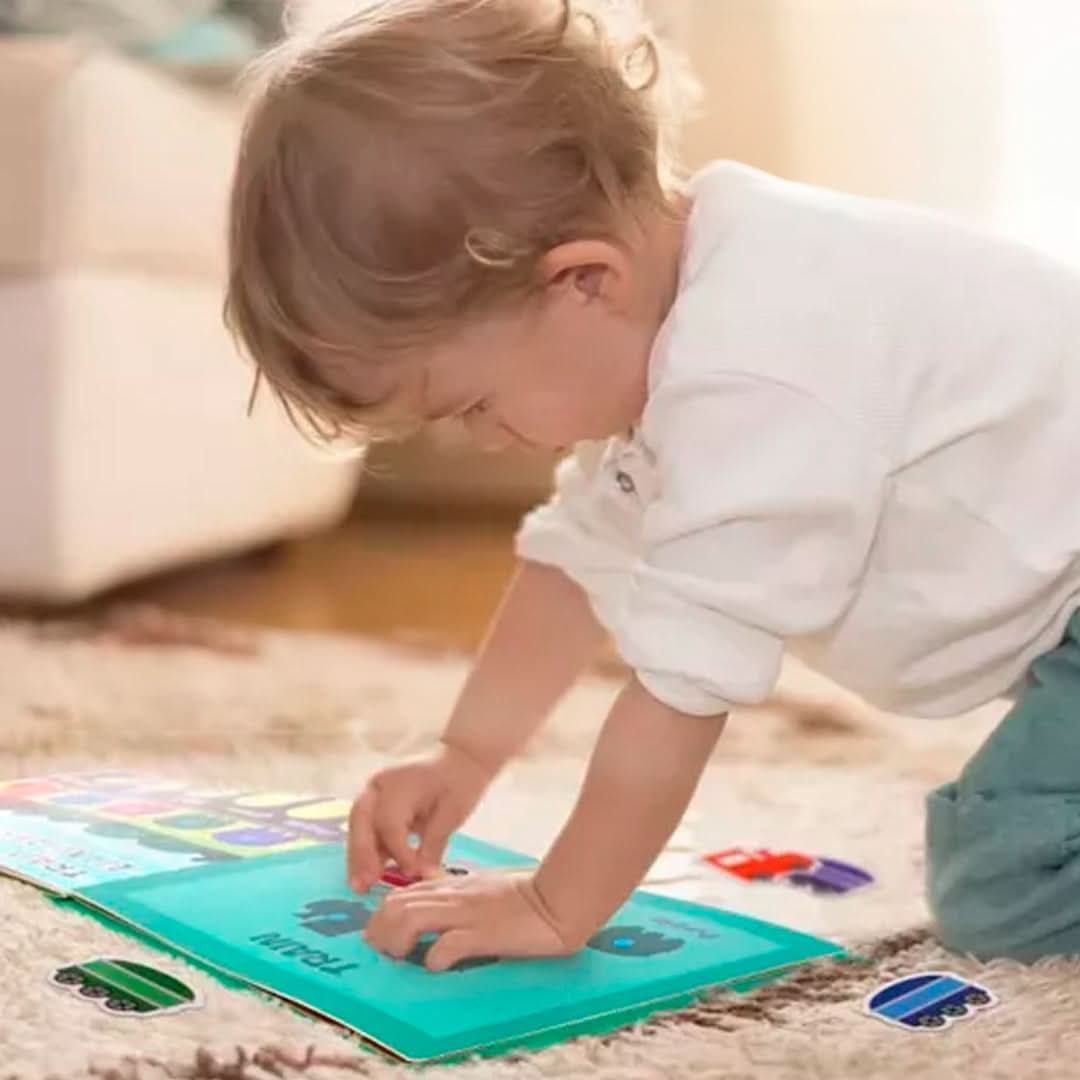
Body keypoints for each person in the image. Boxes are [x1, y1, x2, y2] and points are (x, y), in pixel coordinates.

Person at [225, 0, 1080, 972]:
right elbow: (574, 564)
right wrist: (461, 758)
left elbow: (682, 685)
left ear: (582, 282)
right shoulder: (688, 302)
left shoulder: (758, 369)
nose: (478, 443)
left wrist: (557, 906)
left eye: (472, 404)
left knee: (1010, 881)